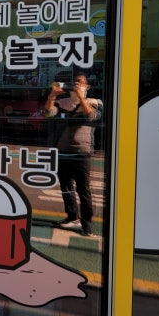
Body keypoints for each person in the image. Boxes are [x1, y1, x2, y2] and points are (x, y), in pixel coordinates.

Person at [44, 73, 103, 236]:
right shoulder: (62, 102)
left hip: (82, 154)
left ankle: (87, 223)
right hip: (63, 152)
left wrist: (81, 97)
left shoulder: (94, 102)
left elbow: (91, 116)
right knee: (66, 187)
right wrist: (52, 96)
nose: (76, 84)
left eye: (80, 82)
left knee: (83, 189)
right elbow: (48, 113)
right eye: (74, 82)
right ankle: (72, 216)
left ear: (87, 86)